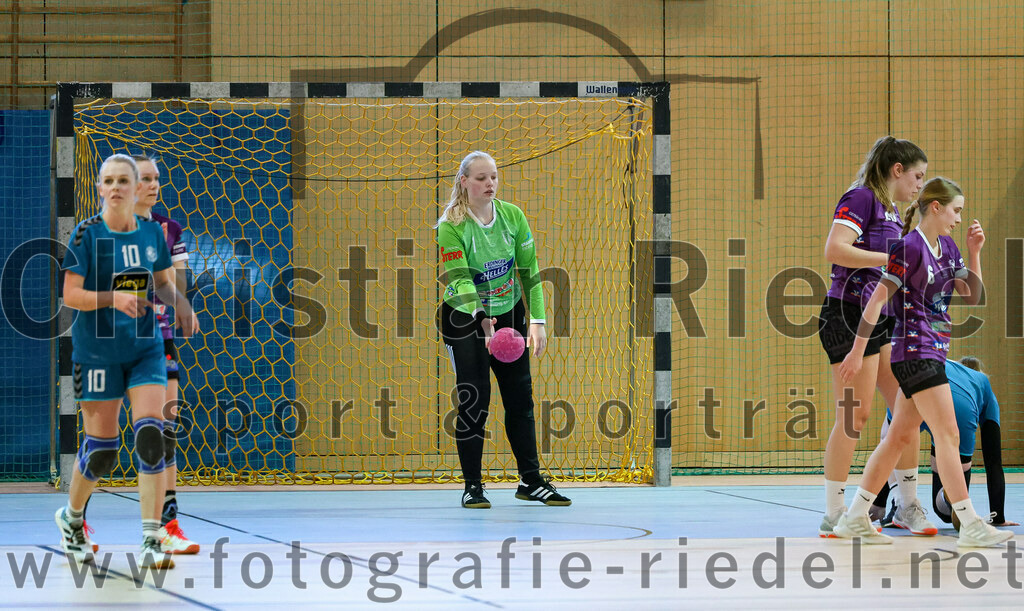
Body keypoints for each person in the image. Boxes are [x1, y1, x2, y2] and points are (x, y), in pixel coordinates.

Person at [833, 176, 1012, 547]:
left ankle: (853, 518)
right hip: (915, 352)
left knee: (898, 438)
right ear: (935, 207)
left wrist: (975, 252)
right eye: (956, 211)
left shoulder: (947, 247)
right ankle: (969, 521)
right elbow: (877, 300)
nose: (959, 219)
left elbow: (973, 296)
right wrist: (856, 350)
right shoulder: (909, 248)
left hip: (932, 351)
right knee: (948, 434)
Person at [55, 154, 198, 568]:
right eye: (109, 181)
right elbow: (71, 297)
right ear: (100, 188)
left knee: (151, 434)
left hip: (144, 350)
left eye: (124, 180)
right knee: (102, 450)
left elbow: (164, 284)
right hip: (97, 352)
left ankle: (152, 538)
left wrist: (181, 304)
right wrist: (113, 299)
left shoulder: (154, 234)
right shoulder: (87, 235)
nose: (116, 187)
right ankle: (72, 518)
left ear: (135, 188)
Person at [435, 151, 570, 509]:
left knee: (520, 399)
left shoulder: (513, 217)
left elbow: (529, 272)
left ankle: (531, 481)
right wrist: (481, 317)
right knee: (474, 401)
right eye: (480, 178)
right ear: (464, 182)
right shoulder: (451, 224)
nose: (489, 183)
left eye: (493, 176)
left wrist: (537, 322)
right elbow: (460, 278)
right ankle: (473, 486)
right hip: (464, 318)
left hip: (509, 314)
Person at [818, 136, 934, 537]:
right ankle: (834, 512)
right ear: (897, 170)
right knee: (854, 415)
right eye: (917, 175)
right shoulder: (862, 197)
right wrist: (891, 258)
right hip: (847, 313)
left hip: (882, 320)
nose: (920, 184)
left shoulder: (892, 212)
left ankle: (906, 505)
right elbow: (835, 248)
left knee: (909, 409)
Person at [871, 357, 1017, 530]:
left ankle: (891, 505)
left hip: (919, 390)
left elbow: (889, 450)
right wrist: (998, 516)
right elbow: (994, 461)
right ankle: (948, 498)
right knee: (945, 513)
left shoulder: (943, 361)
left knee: (891, 444)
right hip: (962, 409)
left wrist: (878, 504)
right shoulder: (983, 382)